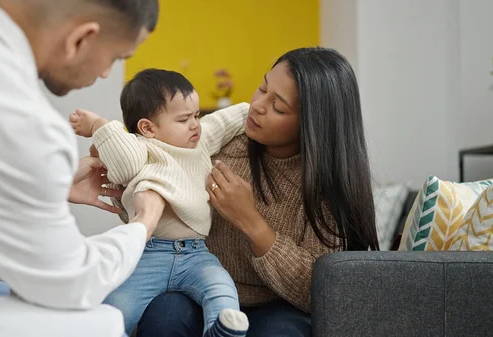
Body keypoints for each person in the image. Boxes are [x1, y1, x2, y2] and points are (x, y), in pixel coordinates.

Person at [0, 0, 163, 336]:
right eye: (116, 58)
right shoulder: (16, 123)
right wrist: (143, 223)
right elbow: (74, 284)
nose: (107, 73)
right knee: (99, 325)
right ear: (80, 39)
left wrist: (52, 186)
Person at [133, 47, 380, 337]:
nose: (258, 105)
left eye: (278, 107)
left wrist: (251, 222)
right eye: (262, 88)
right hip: (199, 287)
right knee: (165, 315)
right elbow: (157, 172)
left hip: (280, 305)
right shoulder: (220, 146)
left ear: (312, 125)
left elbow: (322, 290)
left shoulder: (328, 188)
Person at [69, 69, 250, 337]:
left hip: (196, 254)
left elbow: (226, 120)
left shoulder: (198, 144)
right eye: (184, 119)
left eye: (197, 115)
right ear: (148, 128)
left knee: (221, 288)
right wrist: (99, 125)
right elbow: (123, 163)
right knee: (118, 307)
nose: (195, 124)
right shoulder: (140, 149)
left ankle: (220, 331)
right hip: (148, 254)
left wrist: (256, 108)